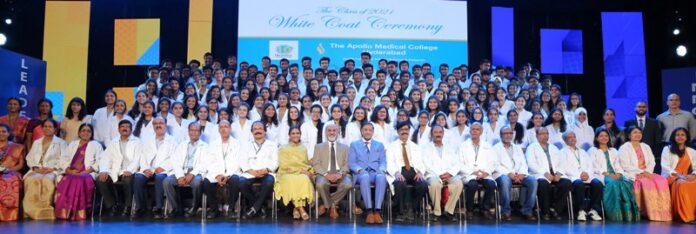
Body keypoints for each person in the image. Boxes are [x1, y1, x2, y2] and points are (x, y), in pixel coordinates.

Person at [618, 126, 671, 221]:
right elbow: (625, 165)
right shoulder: (624, 147)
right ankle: (647, 212)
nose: (637, 134)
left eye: (639, 132)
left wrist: (647, 172)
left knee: (662, 181)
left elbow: (652, 161)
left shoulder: (645, 146)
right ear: (629, 135)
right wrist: (641, 172)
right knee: (646, 183)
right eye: (635, 132)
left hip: (647, 173)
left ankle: (662, 212)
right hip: (633, 173)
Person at [589, 129, 640, 222]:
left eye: (606, 136)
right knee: (614, 184)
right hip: (601, 175)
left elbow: (618, 164)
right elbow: (593, 166)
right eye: (601, 136)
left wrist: (619, 173)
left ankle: (627, 213)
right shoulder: (593, 150)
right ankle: (615, 214)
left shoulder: (613, 150)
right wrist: (607, 174)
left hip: (615, 174)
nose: (604, 138)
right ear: (596, 138)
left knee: (627, 183)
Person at [55, 123, 102, 220]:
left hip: (87, 173)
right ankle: (64, 213)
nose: (86, 133)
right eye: (83, 131)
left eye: (88, 131)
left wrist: (86, 171)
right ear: (79, 133)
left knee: (79, 181)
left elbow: (100, 161)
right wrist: (68, 170)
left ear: (92, 133)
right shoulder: (73, 144)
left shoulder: (96, 145)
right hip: (71, 172)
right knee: (65, 180)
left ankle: (78, 213)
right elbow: (63, 159)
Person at [163, 122, 209, 218]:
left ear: (200, 133)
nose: (194, 132)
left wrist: (192, 174)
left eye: (196, 130)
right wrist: (180, 176)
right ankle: (175, 209)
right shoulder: (182, 145)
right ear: (188, 132)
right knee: (167, 182)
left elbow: (204, 163)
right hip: (181, 171)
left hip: (196, 172)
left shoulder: (205, 146)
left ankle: (194, 207)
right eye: (192, 130)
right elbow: (175, 161)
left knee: (197, 183)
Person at [133, 117, 175, 218]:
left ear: (165, 125)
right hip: (149, 169)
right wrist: (145, 168)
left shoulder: (172, 140)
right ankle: (140, 208)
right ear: (153, 126)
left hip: (163, 169)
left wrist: (163, 167)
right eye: (155, 123)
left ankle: (158, 208)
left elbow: (174, 158)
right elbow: (142, 156)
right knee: (138, 178)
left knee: (160, 177)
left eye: (161, 123)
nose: (158, 125)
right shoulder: (147, 140)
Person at [24, 119, 66, 220]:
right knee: (31, 180)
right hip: (37, 169)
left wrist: (52, 169)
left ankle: (45, 212)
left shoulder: (61, 143)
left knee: (46, 180)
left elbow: (65, 159)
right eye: (45, 126)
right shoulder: (37, 142)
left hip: (52, 170)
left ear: (55, 129)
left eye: (50, 126)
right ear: (42, 128)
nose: (47, 129)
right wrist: (35, 167)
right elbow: (29, 158)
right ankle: (30, 211)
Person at [526, 127, 572, 220]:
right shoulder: (531, 148)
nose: (545, 135)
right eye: (542, 133)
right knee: (543, 184)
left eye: (546, 133)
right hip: (540, 174)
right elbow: (531, 164)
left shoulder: (553, 147)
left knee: (566, 183)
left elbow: (561, 163)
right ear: (537, 136)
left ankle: (555, 209)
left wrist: (558, 174)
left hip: (555, 175)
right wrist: (545, 173)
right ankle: (545, 211)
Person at [493, 126, 538, 221]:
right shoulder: (495, 148)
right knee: (505, 181)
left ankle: (527, 210)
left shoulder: (517, 148)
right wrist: (509, 174)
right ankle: (505, 211)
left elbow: (523, 162)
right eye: (505, 133)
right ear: (501, 135)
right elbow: (495, 165)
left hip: (519, 174)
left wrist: (522, 174)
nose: (508, 135)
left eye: (510, 133)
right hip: (503, 174)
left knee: (533, 181)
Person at [97, 120, 140, 216]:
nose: (125, 128)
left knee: (128, 180)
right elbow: (105, 158)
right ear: (118, 129)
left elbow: (138, 159)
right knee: (100, 180)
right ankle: (112, 205)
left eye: (127, 126)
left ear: (131, 129)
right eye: (122, 126)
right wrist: (104, 170)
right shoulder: (114, 142)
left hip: (130, 170)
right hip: (115, 170)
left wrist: (130, 170)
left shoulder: (137, 142)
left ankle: (128, 206)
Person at [386, 121, 427, 222]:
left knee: (423, 184)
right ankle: (401, 212)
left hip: (414, 171)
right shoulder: (391, 146)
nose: (404, 131)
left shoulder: (416, 147)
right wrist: (396, 173)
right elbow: (389, 162)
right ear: (398, 131)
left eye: (406, 129)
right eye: (402, 130)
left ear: (409, 131)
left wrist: (420, 172)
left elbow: (421, 162)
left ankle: (411, 208)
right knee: (399, 184)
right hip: (399, 171)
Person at [422, 124, 462, 222]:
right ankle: (436, 212)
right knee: (435, 184)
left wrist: (450, 173)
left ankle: (448, 211)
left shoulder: (450, 147)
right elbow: (425, 164)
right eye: (435, 132)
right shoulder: (425, 148)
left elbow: (457, 162)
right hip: (433, 174)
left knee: (458, 183)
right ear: (432, 134)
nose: (438, 134)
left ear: (443, 134)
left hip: (449, 174)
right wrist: (439, 175)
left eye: (440, 132)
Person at [349, 122, 387, 224]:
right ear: (361, 131)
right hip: (361, 173)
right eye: (365, 130)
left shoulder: (379, 145)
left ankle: (377, 211)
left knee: (381, 177)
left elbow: (383, 162)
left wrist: (381, 170)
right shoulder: (354, 144)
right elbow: (352, 163)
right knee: (365, 176)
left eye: (370, 130)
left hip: (375, 172)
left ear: (373, 132)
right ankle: (369, 211)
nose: (367, 132)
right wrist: (360, 170)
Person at [312, 123, 352, 219]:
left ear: (338, 132)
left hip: (341, 173)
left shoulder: (345, 147)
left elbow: (348, 163)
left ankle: (327, 205)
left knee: (348, 184)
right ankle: (332, 206)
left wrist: (340, 174)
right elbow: (316, 164)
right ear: (325, 132)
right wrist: (326, 174)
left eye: (334, 130)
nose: (331, 132)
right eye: (329, 130)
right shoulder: (318, 147)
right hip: (324, 174)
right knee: (320, 184)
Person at [239, 121, 278, 219]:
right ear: (252, 132)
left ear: (265, 131)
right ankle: (259, 207)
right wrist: (251, 171)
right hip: (251, 172)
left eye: (260, 128)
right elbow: (241, 160)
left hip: (266, 172)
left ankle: (254, 208)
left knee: (269, 182)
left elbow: (276, 161)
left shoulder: (272, 145)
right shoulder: (245, 145)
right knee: (241, 182)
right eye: (255, 129)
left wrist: (266, 169)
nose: (258, 131)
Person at [204, 119, 242, 219]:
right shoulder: (213, 144)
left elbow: (238, 162)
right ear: (218, 130)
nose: (224, 129)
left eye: (226, 127)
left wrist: (227, 175)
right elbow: (210, 161)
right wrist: (218, 175)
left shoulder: (237, 144)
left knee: (235, 180)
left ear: (230, 129)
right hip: (216, 173)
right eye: (221, 127)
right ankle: (214, 209)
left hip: (232, 172)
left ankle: (231, 209)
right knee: (206, 182)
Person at [561, 131, 603, 221]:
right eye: (569, 137)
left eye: (574, 137)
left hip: (587, 176)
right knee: (579, 184)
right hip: (573, 176)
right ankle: (581, 210)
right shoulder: (562, 152)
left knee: (598, 184)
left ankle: (593, 210)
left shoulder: (583, 151)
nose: (572, 139)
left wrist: (587, 173)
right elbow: (564, 168)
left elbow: (590, 165)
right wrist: (579, 175)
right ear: (565, 140)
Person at [274, 127, 314, 220]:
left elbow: (305, 164)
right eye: (293, 133)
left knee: (304, 179)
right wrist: (299, 170)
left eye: (297, 133)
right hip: (285, 173)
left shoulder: (303, 148)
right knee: (290, 180)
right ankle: (301, 209)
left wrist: (304, 170)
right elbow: (284, 164)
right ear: (289, 135)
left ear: (300, 135)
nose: (295, 135)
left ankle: (296, 209)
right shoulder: (283, 148)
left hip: (299, 172)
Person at [460, 123, 497, 219]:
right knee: (472, 185)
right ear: (470, 131)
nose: (475, 131)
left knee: (491, 184)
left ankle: (484, 209)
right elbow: (459, 163)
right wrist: (472, 172)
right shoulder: (463, 146)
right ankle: (470, 210)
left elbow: (493, 162)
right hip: (469, 174)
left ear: (481, 132)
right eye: (473, 129)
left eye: (477, 129)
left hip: (484, 173)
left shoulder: (488, 146)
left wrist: (486, 173)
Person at [660, 127, 696, 223]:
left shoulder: (692, 151)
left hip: (686, 175)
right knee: (682, 184)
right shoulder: (667, 149)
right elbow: (665, 166)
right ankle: (686, 215)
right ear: (674, 137)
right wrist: (679, 175)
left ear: (687, 137)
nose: (680, 137)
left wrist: (694, 175)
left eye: (682, 135)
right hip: (671, 176)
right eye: (677, 135)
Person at [625, 101, 663, 173]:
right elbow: (626, 139)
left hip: (649, 156)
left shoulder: (654, 122)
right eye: (639, 107)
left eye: (643, 107)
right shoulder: (628, 123)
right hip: (633, 156)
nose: (641, 108)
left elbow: (657, 140)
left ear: (647, 109)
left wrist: (653, 155)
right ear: (635, 108)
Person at [0, 124, 26, 221]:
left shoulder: (17, 147)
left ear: (8, 133)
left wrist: (9, 170)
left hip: (12, 171)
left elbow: (20, 165)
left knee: (11, 179)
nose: (1, 134)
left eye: (3, 131)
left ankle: (9, 215)